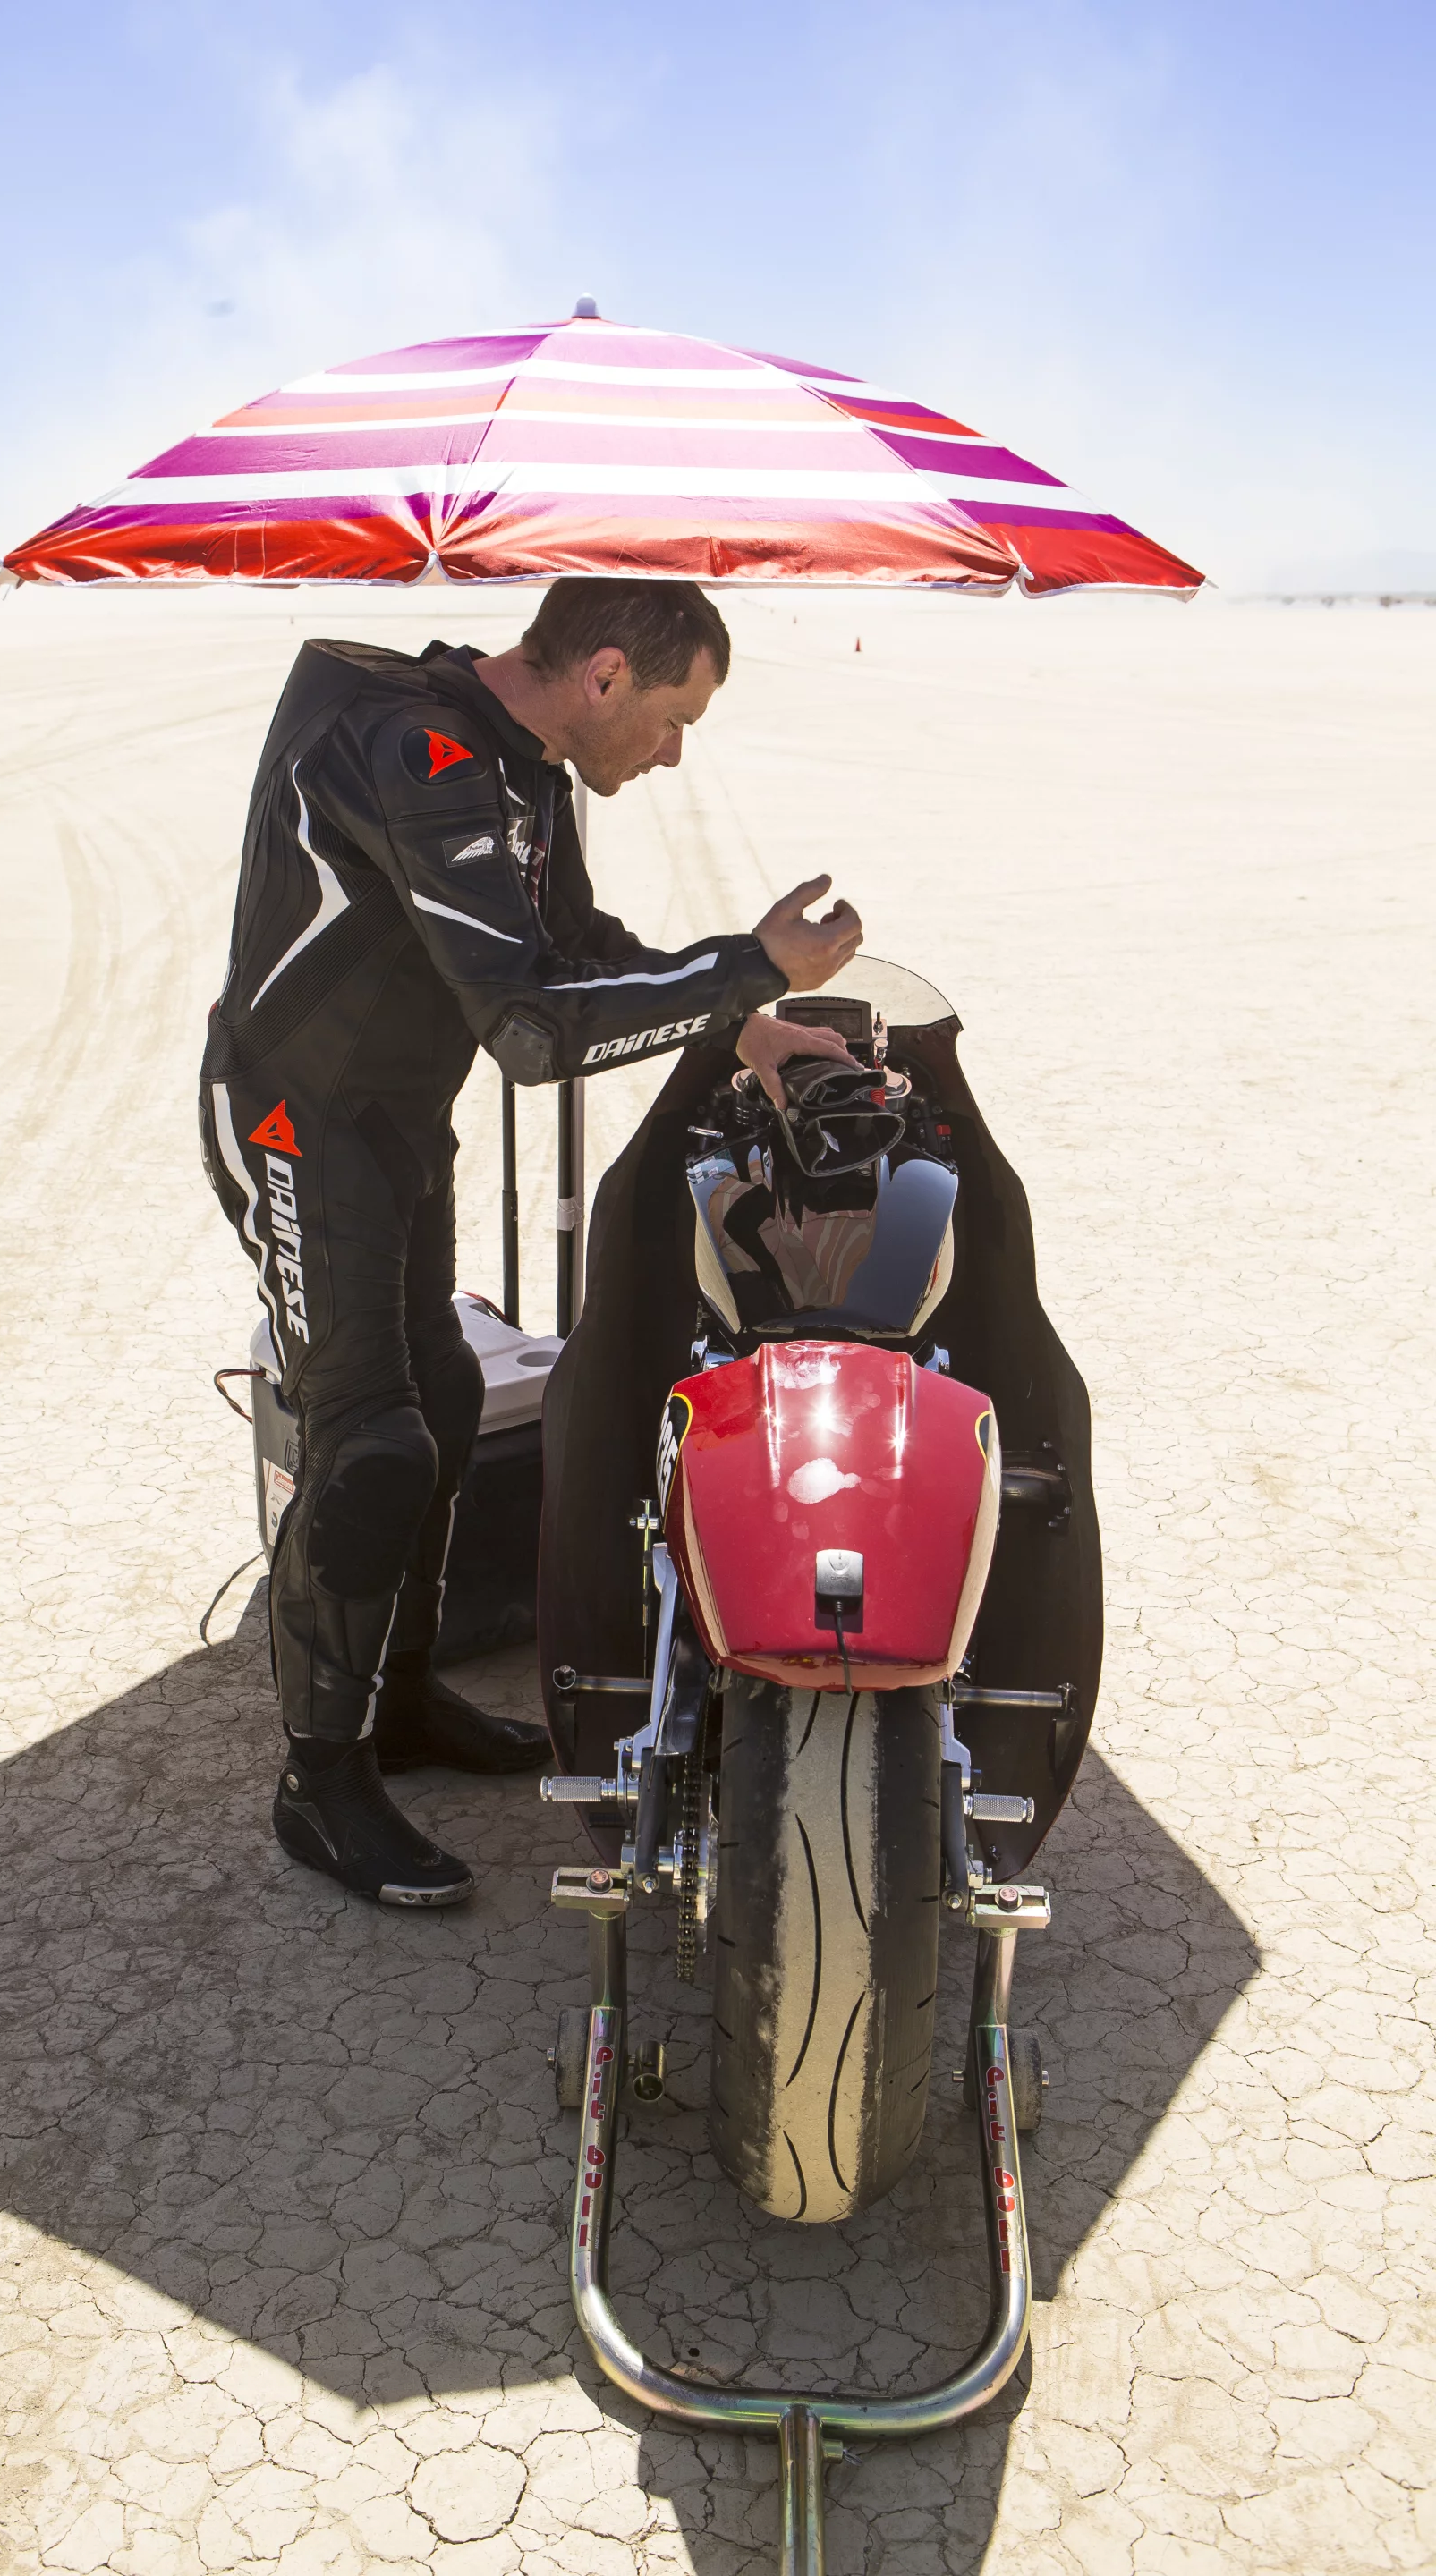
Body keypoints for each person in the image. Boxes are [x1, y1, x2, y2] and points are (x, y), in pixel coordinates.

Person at [200, 578, 862, 1907]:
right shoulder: (417, 751)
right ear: (607, 675)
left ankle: (396, 1704)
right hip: (291, 1124)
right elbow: (531, 1030)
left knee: (443, 1396)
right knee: (372, 1440)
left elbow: (575, 947)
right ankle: (317, 1784)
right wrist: (749, 969)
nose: (673, 754)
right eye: (675, 720)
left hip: (388, 1129)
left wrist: (744, 1027)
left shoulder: (525, 771)